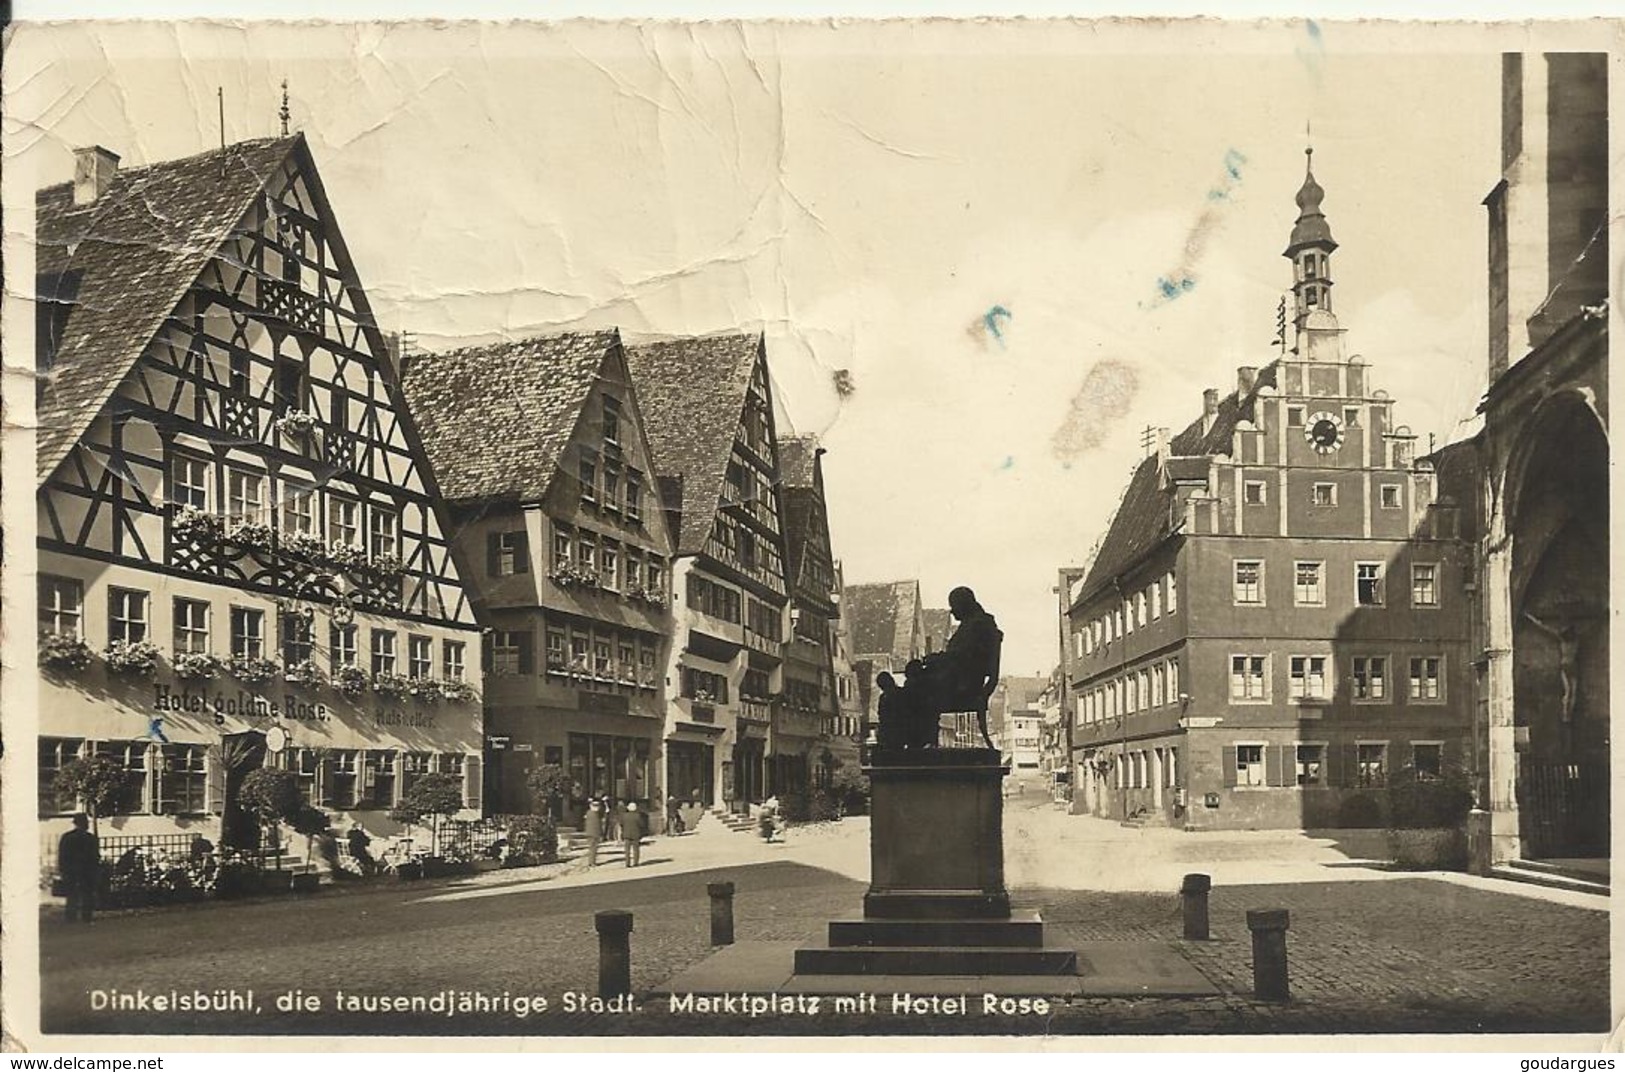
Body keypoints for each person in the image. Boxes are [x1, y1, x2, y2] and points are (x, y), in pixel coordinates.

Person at [57, 814, 99, 923]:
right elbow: (95, 856)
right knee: (87, 893)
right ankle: (86, 916)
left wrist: (62, 869)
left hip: (71, 869)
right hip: (86, 870)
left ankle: (71, 916)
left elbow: (62, 855)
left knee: (72, 894)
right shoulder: (91, 838)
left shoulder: (67, 837)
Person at [583, 797, 604, 867]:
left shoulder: (588, 813)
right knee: (594, 848)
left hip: (589, 832)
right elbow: (598, 825)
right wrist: (601, 833)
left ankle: (591, 861)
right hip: (595, 833)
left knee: (591, 847)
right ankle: (592, 862)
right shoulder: (596, 815)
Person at [622, 801, 643, 867]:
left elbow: (621, 824)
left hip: (626, 834)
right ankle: (635, 862)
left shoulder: (625, 816)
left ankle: (627, 863)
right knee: (636, 849)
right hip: (636, 834)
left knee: (627, 850)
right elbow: (641, 824)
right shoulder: (637, 816)